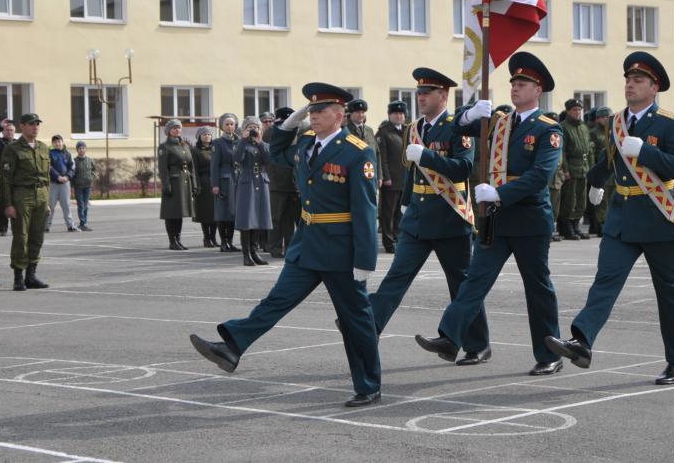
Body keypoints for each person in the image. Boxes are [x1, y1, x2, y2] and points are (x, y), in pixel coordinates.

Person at [190, 83, 382, 408]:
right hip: (306, 244)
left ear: (339, 114)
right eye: (311, 110)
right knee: (277, 300)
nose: (314, 115)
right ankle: (233, 346)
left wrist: (365, 259)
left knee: (356, 319)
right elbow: (277, 153)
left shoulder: (356, 151)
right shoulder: (306, 142)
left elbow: (365, 209)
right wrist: (287, 126)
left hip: (340, 250)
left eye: (320, 111)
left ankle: (368, 385)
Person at [546, 51, 674, 385]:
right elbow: (608, 161)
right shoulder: (617, 122)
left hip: (659, 218)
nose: (630, 85)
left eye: (638, 80)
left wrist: (646, 151)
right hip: (622, 218)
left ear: (654, 87)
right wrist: (594, 182)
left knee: (670, 293)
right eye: (628, 80)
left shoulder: (671, 123)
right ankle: (582, 341)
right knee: (605, 283)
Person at [415, 54, 564, 375]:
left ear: (538, 91)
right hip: (496, 218)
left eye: (522, 84)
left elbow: (540, 175)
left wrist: (500, 193)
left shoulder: (548, 129)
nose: (515, 88)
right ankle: (450, 338)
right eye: (513, 83)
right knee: (474, 281)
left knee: (537, 289)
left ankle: (549, 353)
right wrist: (468, 114)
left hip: (529, 219)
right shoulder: (500, 121)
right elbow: (456, 128)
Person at [370, 68, 489, 365]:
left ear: (444, 96)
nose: (421, 97)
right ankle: (367, 326)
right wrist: (406, 202)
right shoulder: (414, 128)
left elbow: (463, 167)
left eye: (427, 93)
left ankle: (478, 344)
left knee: (460, 285)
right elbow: (413, 171)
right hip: (418, 218)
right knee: (397, 276)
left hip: (449, 215)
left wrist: (427, 156)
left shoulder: (457, 126)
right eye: (419, 93)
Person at [0, 113, 51, 291]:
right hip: (22, 195)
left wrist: (48, 201)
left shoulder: (43, 148)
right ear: (22, 126)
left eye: (37, 124)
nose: (35, 127)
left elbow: (47, 177)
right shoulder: (13, 149)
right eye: (31, 124)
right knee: (21, 237)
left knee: (37, 237)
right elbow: (5, 179)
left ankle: (31, 274)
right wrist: (8, 204)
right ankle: (18, 277)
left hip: (41, 195)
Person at [233, 116, 272, 266]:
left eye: (255, 127)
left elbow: (269, 160)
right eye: (249, 127)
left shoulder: (264, 144)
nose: (253, 130)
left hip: (261, 181)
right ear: (244, 130)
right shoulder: (240, 143)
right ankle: (246, 254)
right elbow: (237, 158)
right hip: (247, 181)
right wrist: (243, 140)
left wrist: (260, 142)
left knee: (259, 218)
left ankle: (255, 252)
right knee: (247, 219)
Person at [263, 107, 300, 258]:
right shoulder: (271, 132)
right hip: (277, 181)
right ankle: (275, 247)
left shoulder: (298, 131)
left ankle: (291, 247)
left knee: (290, 219)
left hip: (293, 182)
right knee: (276, 218)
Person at [158, 119, 198, 250]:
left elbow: (191, 166)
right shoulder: (164, 147)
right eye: (174, 128)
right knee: (171, 213)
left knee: (180, 213)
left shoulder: (184, 145)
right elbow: (163, 168)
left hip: (184, 182)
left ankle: (178, 239)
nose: (177, 130)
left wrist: (194, 184)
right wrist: (166, 184)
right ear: (168, 131)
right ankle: (172, 240)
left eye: (179, 128)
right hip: (173, 182)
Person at [375, 100, 407, 254]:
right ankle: (388, 242)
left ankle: (398, 237)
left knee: (400, 211)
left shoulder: (408, 130)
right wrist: (385, 177)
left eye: (401, 114)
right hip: (391, 179)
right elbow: (382, 157)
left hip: (405, 179)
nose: (399, 116)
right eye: (396, 113)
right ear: (389, 115)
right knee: (388, 212)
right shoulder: (384, 132)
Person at [559, 98, 592, 240]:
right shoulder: (563, 127)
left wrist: (590, 168)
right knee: (569, 200)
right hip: (571, 166)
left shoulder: (584, 127)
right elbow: (562, 151)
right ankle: (567, 228)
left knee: (581, 199)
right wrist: (565, 169)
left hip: (584, 167)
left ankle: (576, 226)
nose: (577, 112)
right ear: (568, 111)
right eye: (574, 110)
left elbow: (589, 149)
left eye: (579, 110)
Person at [211, 113, 240, 252]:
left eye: (232, 124)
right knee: (223, 212)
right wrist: (215, 184)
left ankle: (231, 241)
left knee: (233, 212)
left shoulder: (239, 141)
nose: (230, 127)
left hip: (237, 179)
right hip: (224, 181)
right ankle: (223, 242)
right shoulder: (218, 143)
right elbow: (214, 165)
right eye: (227, 124)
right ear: (222, 126)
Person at [587, 107, 613, 236]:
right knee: (601, 201)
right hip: (601, 169)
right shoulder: (594, 133)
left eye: (608, 117)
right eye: (603, 117)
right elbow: (591, 154)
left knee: (612, 198)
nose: (605, 119)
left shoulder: (614, 132)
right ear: (598, 119)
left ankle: (610, 223)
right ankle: (600, 224)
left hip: (613, 171)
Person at [193, 126, 218, 247]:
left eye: (209, 134)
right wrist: (196, 185)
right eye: (204, 134)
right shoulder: (196, 151)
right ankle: (206, 238)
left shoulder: (215, 149)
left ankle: (213, 237)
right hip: (204, 182)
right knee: (205, 213)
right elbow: (195, 170)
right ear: (199, 137)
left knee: (215, 212)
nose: (207, 136)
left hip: (215, 181)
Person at [47, 135, 78, 233]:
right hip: (53, 183)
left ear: (62, 142)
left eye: (59, 141)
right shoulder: (49, 154)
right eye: (55, 142)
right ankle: (46, 226)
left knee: (66, 205)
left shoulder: (67, 154)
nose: (57, 143)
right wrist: (57, 177)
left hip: (65, 183)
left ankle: (70, 225)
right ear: (53, 144)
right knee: (50, 205)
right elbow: (49, 167)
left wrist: (67, 177)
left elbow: (72, 167)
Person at [546, 111, 565, 243]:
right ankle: (547, 231)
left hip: (557, 175)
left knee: (555, 207)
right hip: (547, 175)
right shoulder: (543, 135)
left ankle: (552, 229)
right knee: (548, 206)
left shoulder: (558, 135)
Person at [72, 141, 97, 231]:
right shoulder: (74, 161)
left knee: (85, 205)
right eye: (79, 148)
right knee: (80, 205)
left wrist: (92, 177)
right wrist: (72, 183)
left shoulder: (90, 160)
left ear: (85, 149)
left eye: (83, 148)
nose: (81, 150)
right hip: (78, 186)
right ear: (77, 150)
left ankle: (84, 223)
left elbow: (95, 170)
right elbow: (72, 173)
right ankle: (82, 223)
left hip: (87, 186)